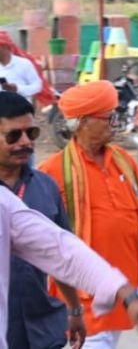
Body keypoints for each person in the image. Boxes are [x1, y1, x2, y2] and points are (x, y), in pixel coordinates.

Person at [38, 81, 138, 348]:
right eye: (108, 117)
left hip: (124, 288)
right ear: (83, 122)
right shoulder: (52, 171)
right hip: (84, 296)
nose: (115, 123)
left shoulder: (123, 160)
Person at [0, 186, 138, 348]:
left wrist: (126, 293)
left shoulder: (6, 203)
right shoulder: (53, 170)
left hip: (91, 300)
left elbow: (61, 250)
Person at [1, 92, 86, 349]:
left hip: (42, 327)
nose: (25, 142)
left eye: (32, 133)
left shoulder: (46, 187)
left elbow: (61, 255)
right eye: (14, 135)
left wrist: (74, 309)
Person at [0, 32, 52, 107]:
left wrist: (17, 89)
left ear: (5, 47)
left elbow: (37, 86)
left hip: (21, 109)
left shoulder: (24, 64)